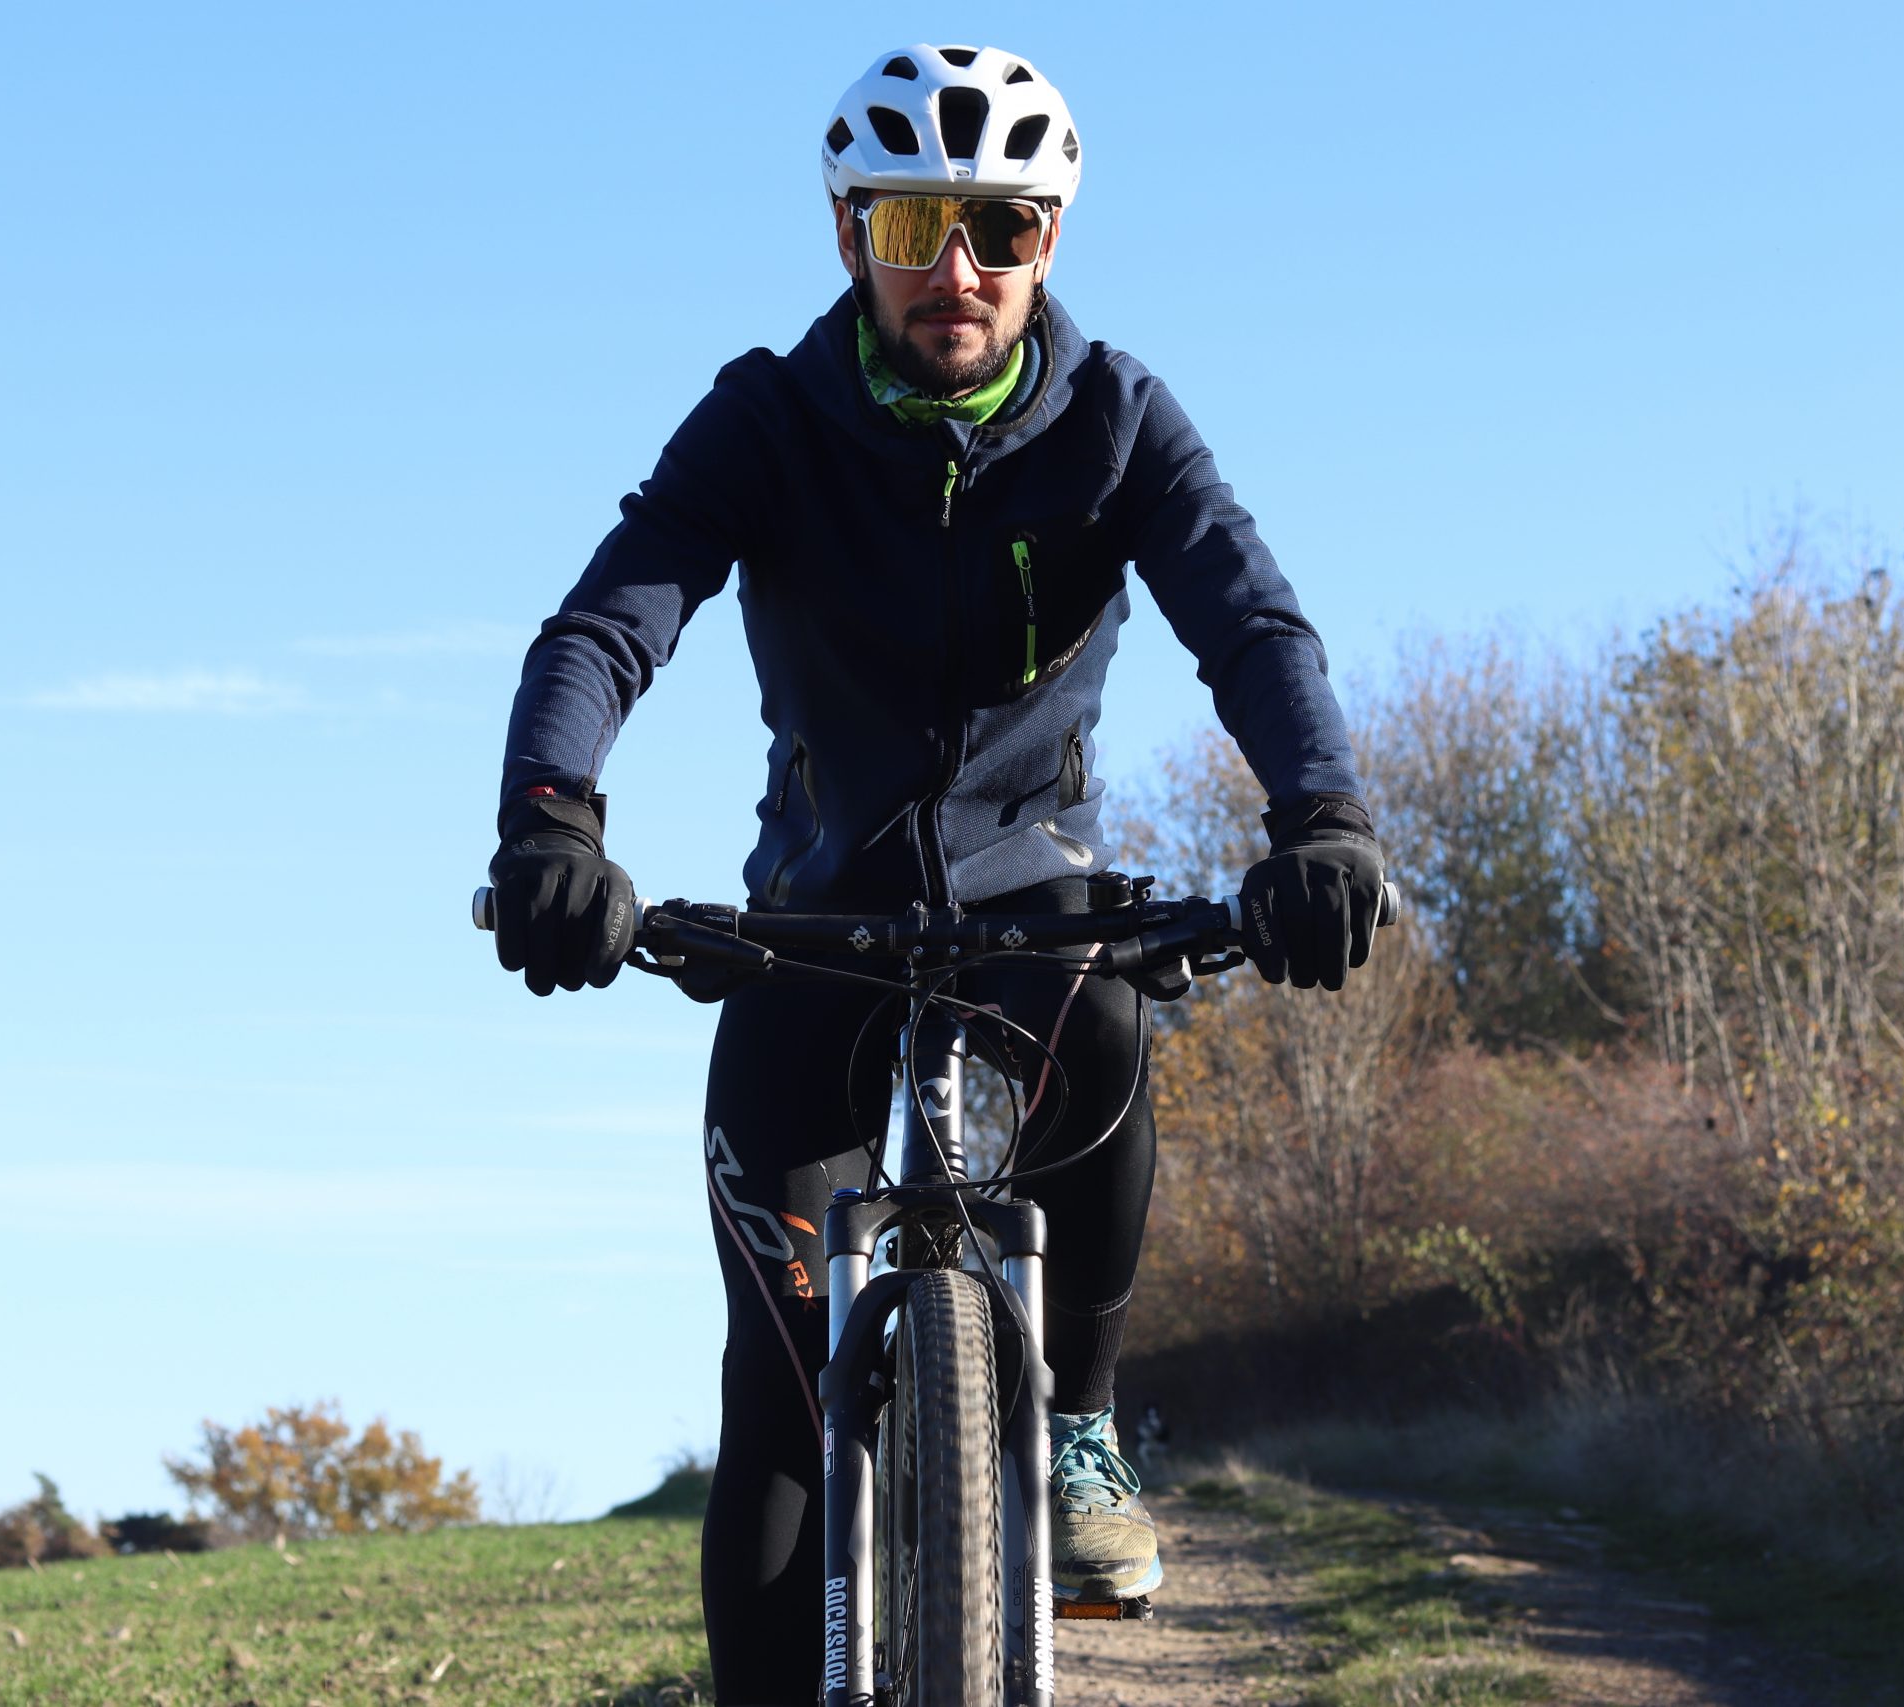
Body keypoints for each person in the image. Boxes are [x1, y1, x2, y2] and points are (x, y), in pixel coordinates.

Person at [486, 43, 1386, 1703]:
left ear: (1051, 241)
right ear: (851, 241)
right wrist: (553, 820)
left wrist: (1320, 824)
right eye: (911, 224)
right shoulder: (766, 418)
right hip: (814, 923)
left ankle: (1086, 1418)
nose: (955, 269)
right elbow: (609, 622)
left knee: (1109, 1013)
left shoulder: (1116, 420)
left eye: (1000, 227)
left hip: (1033, 903)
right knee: (777, 1410)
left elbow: (1252, 627)